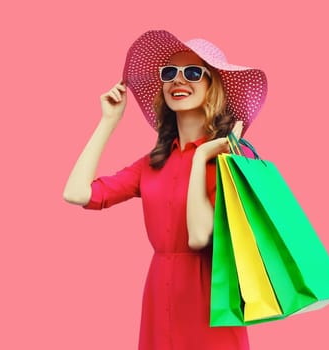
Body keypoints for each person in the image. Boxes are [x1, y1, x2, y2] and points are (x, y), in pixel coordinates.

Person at [63, 30, 267, 350]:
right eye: (169, 73)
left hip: (212, 303)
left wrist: (200, 157)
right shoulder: (152, 163)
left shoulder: (237, 159)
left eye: (193, 72)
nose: (177, 80)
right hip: (159, 298)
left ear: (214, 87)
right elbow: (76, 193)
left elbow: (200, 237)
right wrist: (108, 121)